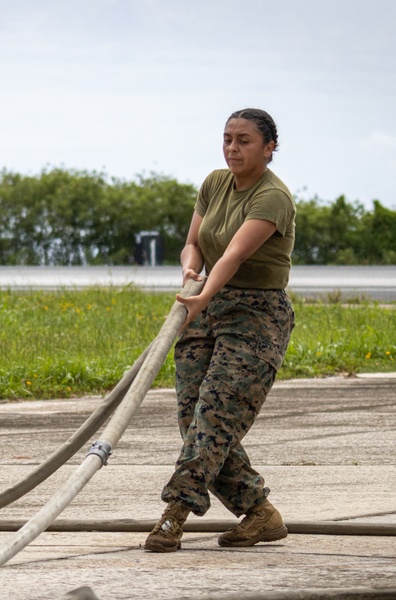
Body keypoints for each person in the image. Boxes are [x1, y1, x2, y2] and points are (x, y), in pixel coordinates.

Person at [144, 108, 296, 553]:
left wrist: (202, 295)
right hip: (207, 304)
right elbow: (195, 244)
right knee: (193, 419)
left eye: (244, 140)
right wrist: (190, 270)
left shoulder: (273, 197)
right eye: (228, 138)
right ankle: (260, 513)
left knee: (214, 417)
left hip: (256, 315)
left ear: (269, 148)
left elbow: (231, 256)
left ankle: (174, 513)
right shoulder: (214, 183)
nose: (233, 148)